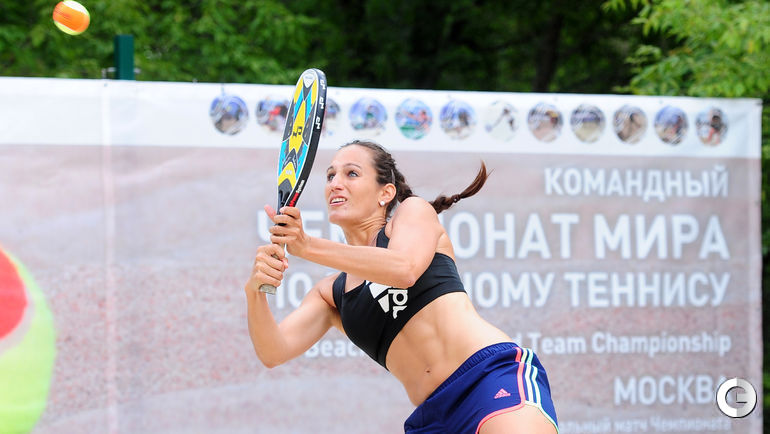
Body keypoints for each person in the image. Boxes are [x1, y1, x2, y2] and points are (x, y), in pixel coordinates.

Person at [244, 140, 559, 433]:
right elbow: (273, 352)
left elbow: (404, 269)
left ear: (386, 193)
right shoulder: (332, 294)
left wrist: (307, 246)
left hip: (488, 377)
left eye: (351, 173)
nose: (335, 183)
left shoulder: (412, 213)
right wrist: (254, 291)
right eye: (330, 176)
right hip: (433, 416)